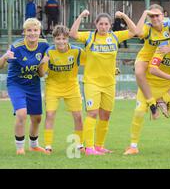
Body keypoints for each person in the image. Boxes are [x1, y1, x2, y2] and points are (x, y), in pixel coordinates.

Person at [124, 20, 170, 155]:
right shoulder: (162, 47)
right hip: (150, 85)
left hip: (169, 88)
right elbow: (152, 69)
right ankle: (133, 146)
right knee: (139, 113)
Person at [69, 9, 136, 155]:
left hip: (109, 83)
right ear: (96, 24)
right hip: (92, 82)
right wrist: (80, 16)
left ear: (110, 25)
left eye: (106, 24)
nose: (103, 27)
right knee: (92, 114)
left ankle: (99, 146)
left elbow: (134, 31)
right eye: (101, 24)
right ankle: (89, 148)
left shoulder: (115, 37)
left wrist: (123, 16)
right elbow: (73, 34)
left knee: (105, 115)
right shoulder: (89, 36)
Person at [0, 18, 49, 154]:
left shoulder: (44, 45)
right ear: (24, 32)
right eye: (29, 30)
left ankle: (34, 145)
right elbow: (1, 65)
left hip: (33, 85)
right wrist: (4, 57)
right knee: (21, 114)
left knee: (37, 118)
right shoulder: (17, 47)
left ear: (39, 32)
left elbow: (41, 73)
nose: (32, 33)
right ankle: (20, 148)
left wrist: (43, 64)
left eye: (35, 30)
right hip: (16, 83)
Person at [133, 5, 170, 119]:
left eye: (157, 15)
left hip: (163, 58)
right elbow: (137, 32)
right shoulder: (147, 27)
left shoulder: (169, 26)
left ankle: (165, 99)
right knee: (139, 73)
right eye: (151, 16)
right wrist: (144, 13)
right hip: (146, 57)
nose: (155, 18)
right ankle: (152, 104)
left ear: (163, 15)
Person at [38, 25, 85, 154]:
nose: (61, 41)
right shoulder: (49, 52)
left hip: (71, 87)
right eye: (58, 38)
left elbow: (92, 63)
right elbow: (41, 74)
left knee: (78, 116)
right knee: (50, 115)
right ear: (54, 39)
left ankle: (79, 144)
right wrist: (43, 63)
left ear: (68, 39)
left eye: (64, 38)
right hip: (53, 86)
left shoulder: (77, 51)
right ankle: (48, 146)